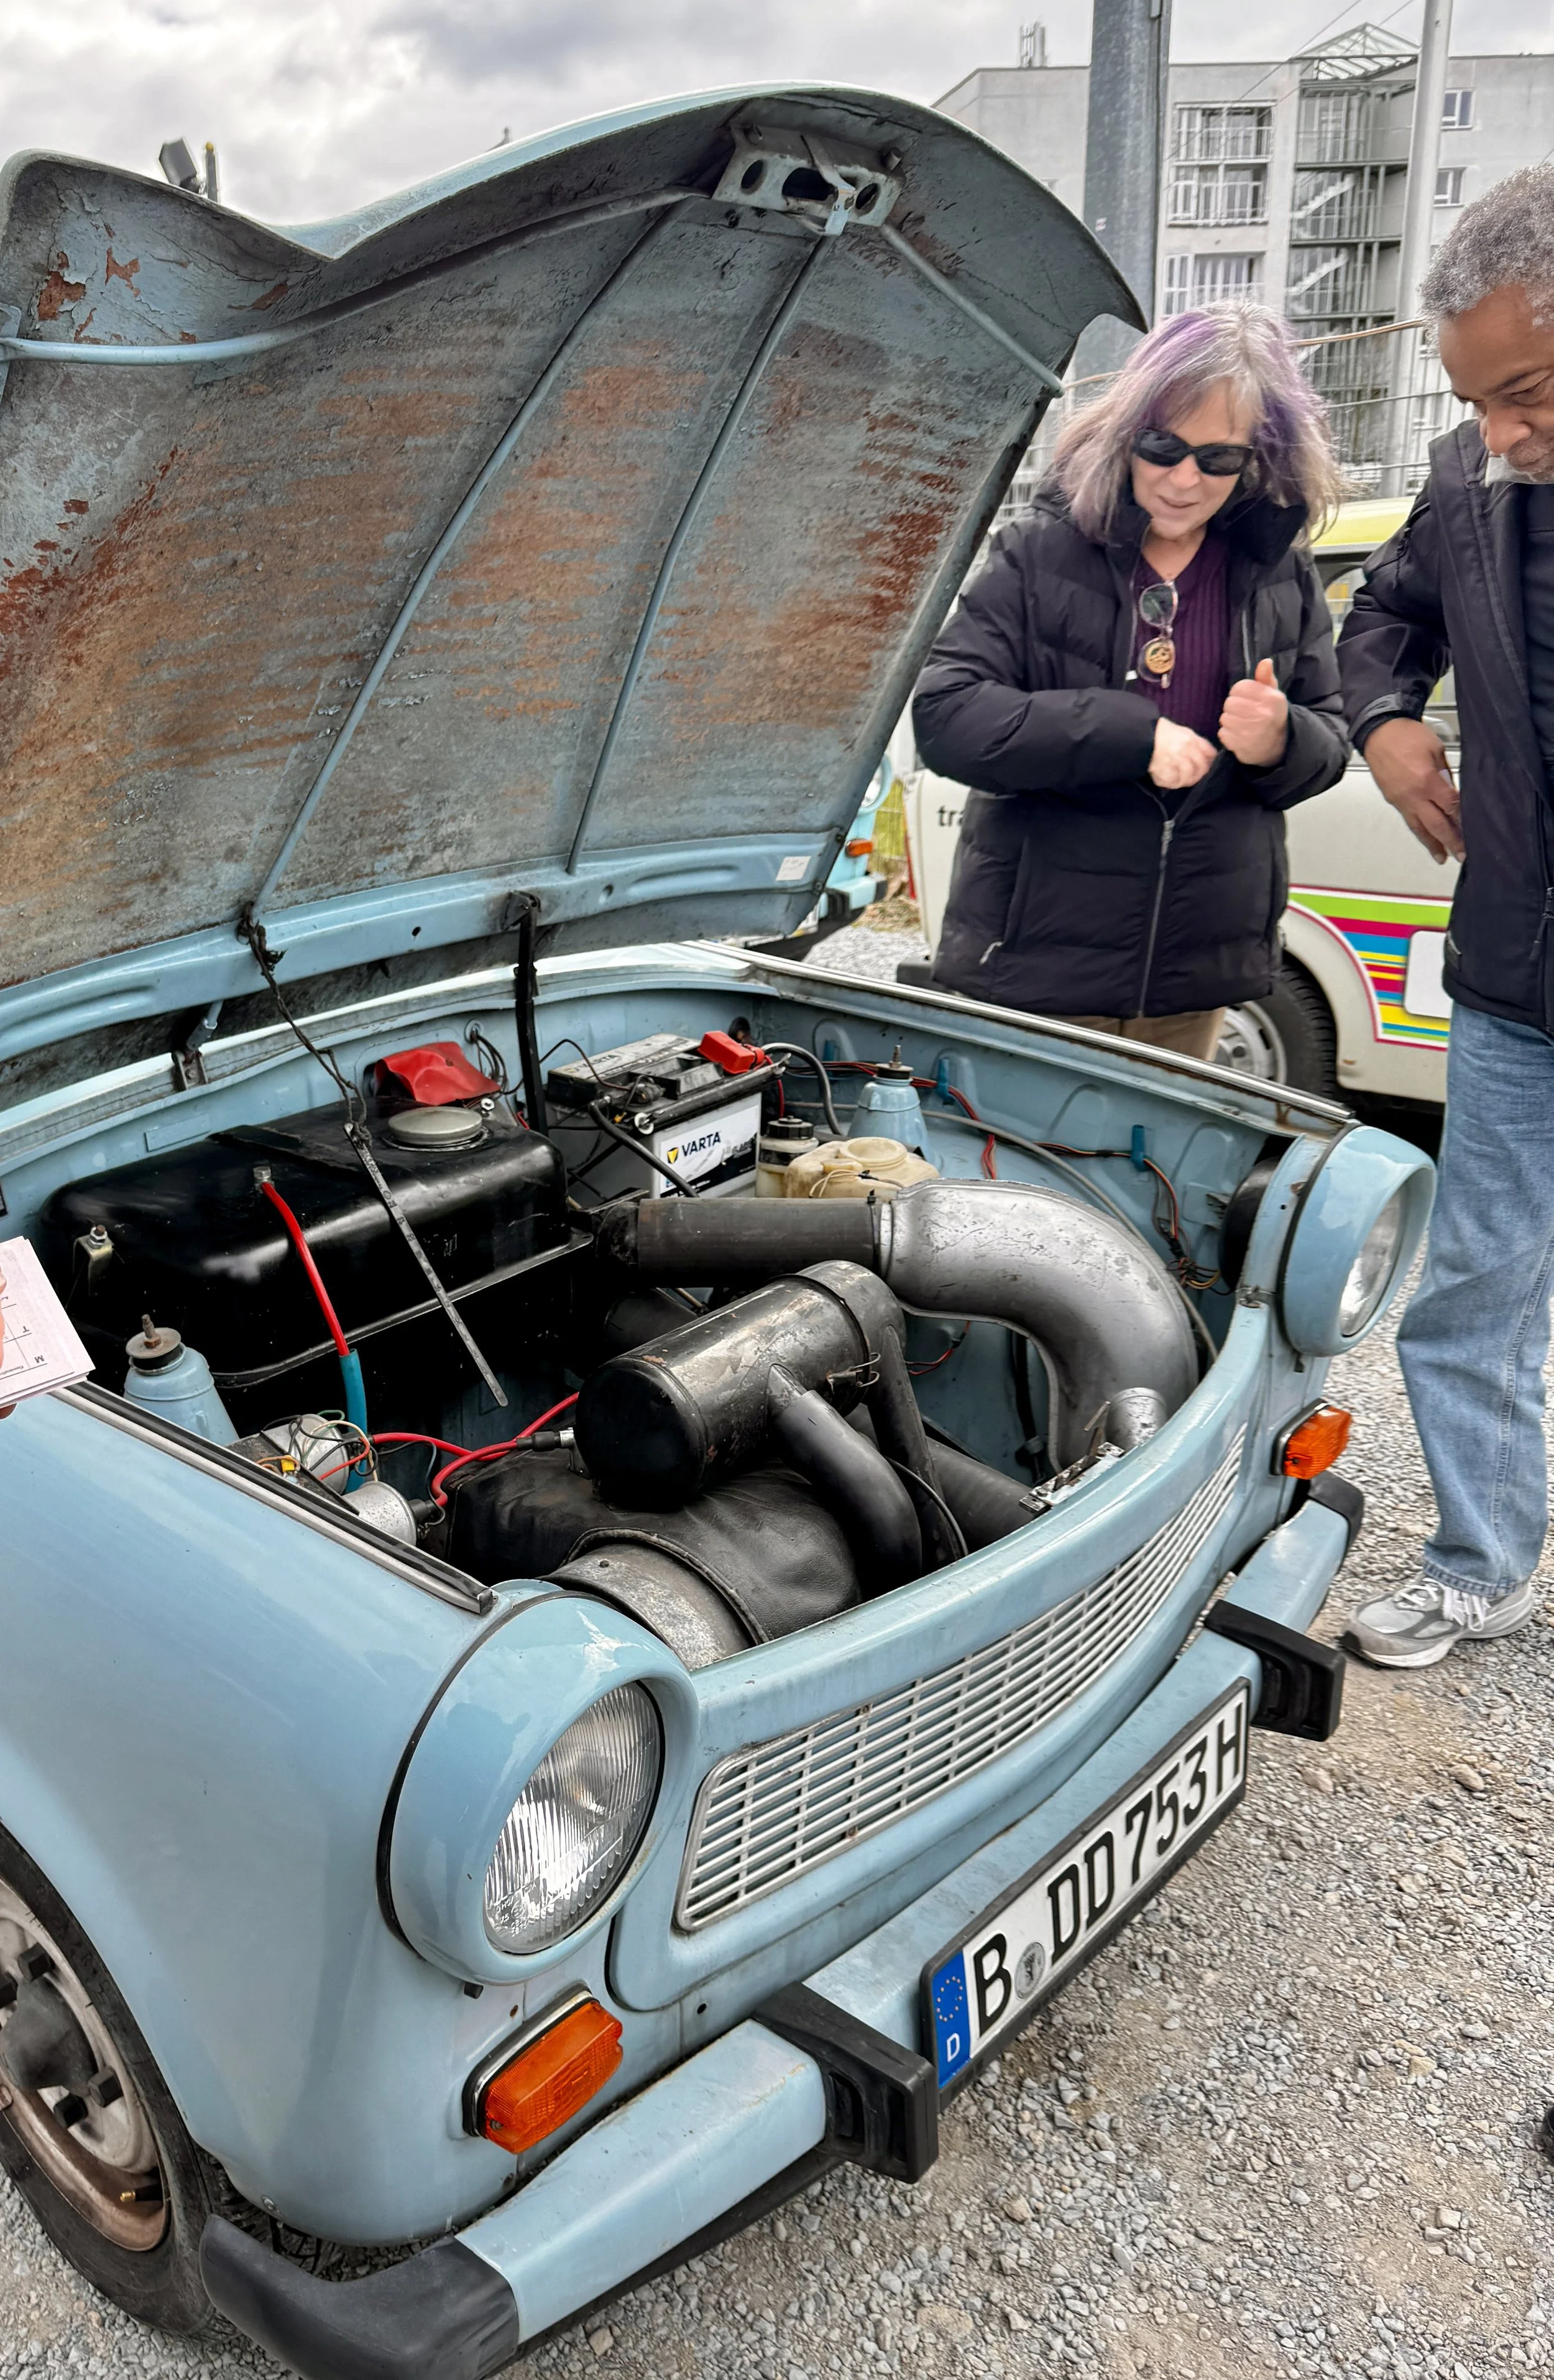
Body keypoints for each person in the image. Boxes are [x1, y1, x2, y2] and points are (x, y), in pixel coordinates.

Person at [912, 304, 1349, 1063]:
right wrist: (1128, 733)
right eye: (1162, 448)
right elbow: (947, 716)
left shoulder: (1279, 569)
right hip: (1035, 968)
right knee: (1027, 1180)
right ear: (1125, 435)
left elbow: (1331, 738)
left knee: (1164, 1180)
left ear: (1259, 458)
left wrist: (1283, 739)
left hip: (1194, 973)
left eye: (1218, 459)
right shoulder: (1039, 550)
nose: (1184, 480)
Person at [1338, 166, 1554, 1668]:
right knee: (1473, 1285)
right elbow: (1378, 617)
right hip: (1516, 979)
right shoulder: (1471, 485)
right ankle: (1483, 1561)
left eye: (1527, 391)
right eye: (1479, 399)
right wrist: (1385, 725)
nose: (1499, 435)